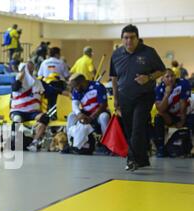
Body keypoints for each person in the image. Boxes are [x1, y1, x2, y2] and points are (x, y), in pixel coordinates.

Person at [110, 24, 165, 171]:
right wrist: (116, 99)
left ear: (137, 38)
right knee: (130, 129)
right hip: (124, 97)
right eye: (126, 38)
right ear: (122, 39)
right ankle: (142, 160)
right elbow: (114, 78)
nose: (129, 41)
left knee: (138, 127)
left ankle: (131, 160)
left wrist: (148, 77)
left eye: (132, 37)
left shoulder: (148, 52)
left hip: (144, 96)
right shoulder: (116, 55)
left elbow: (162, 70)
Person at [10, 62, 50, 152]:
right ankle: (15, 140)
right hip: (18, 110)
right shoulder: (15, 79)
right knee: (17, 119)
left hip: (33, 112)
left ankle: (34, 142)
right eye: (27, 68)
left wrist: (65, 92)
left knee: (45, 117)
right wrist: (21, 77)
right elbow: (15, 88)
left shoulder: (38, 82)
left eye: (31, 68)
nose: (29, 70)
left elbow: (51, 89)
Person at [154, 69, 193, 157]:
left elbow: (183, 104)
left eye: (172, 76)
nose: (170, 78)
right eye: (167, 77)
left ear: (175, 76)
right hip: (170, 116)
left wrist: (182, 121)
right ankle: (160, 148)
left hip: (186, 113)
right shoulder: (158, 89)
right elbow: (160, 109)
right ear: (162, 79)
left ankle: (189, 148)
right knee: (158, 118)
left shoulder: (183, 84)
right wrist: (166, 94)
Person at [67, 73, 110, 138]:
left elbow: (103, 105)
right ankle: (71, 143)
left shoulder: (98, 86)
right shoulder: (76, 90)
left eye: (76, 86)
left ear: (82, 82)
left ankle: (106, 144)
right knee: (71, 116)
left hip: (99, 113)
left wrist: (91, 117)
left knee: (104, 116)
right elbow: (74, 104)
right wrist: (79, 114)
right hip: (86, 114)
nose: (75, 89)